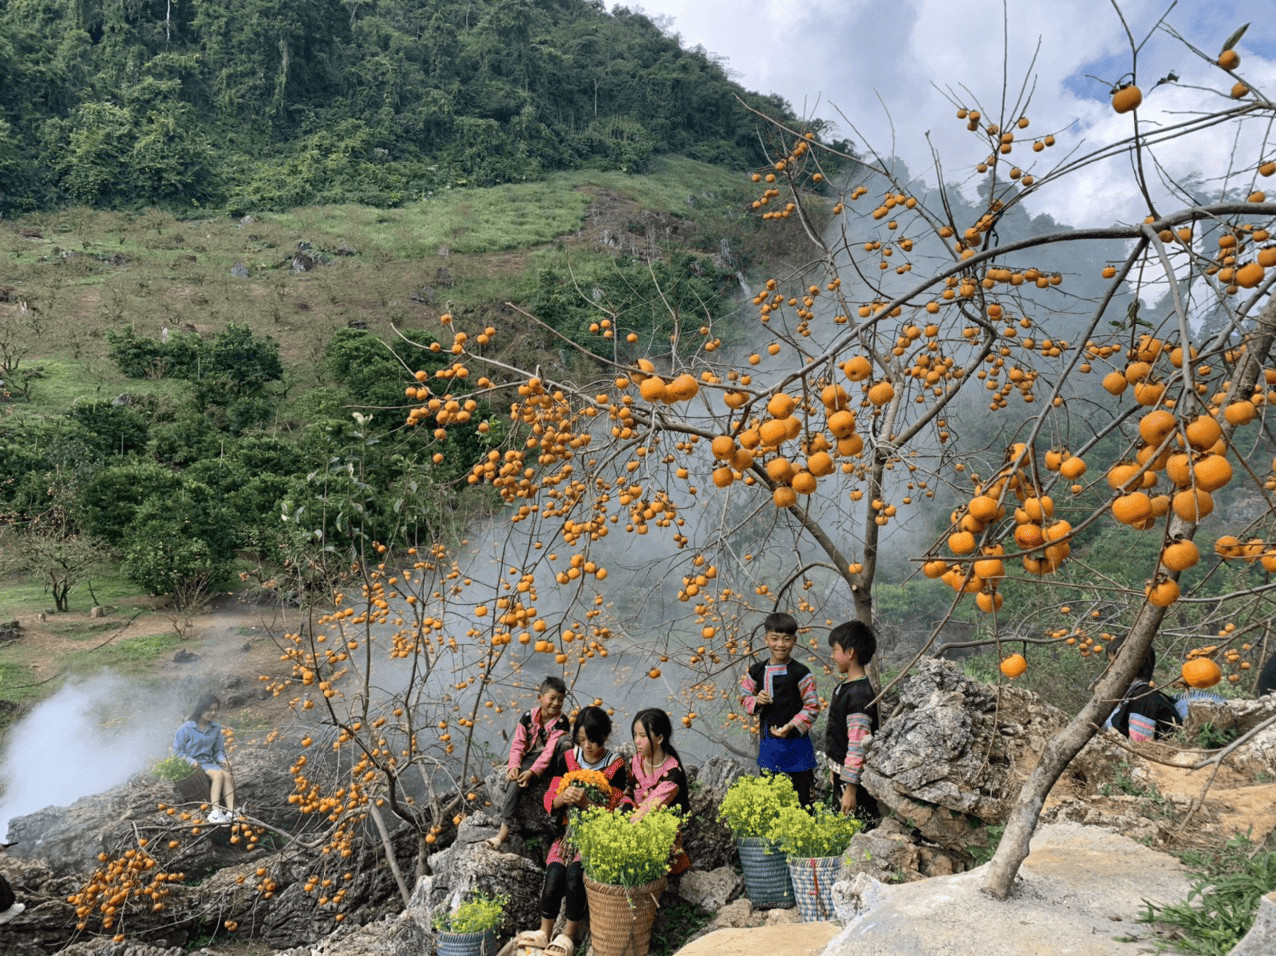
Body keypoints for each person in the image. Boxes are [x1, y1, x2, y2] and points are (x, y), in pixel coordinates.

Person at [514, 706, 627, 956]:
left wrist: (588, 804)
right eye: (582, 739)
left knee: (575, 875)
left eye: (593, 741)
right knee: (555, 871)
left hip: (595, 837)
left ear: (605, 737)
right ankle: (545, 931)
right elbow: (548, 801)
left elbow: (615, 811)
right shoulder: (568, 758)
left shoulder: (615, 765)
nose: (587, 746)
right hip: (567, 833)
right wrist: (563, 798)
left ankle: (569, 935)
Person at [740, 611, 820, 806]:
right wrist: (757, 700)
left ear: (794, 640)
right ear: (766, 639)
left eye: (786, 639)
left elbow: (812, 706)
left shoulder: (802, 673)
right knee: (771, 800)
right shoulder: (756, 671)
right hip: (769, 746)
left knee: (802, 800)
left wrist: (792, 725)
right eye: (774, 639)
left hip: (798, 747)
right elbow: (744, 698)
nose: (780, 645)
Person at [486, 676, 570, 850]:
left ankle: (559, 779)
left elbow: (548, 752)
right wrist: (514, 766)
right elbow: (518, 744)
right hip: (531, 756)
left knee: (566, 743)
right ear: (541, 698)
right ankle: (504, 829)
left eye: (560, 700)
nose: (556, 703)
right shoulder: (527, 717)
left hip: (553, 760)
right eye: (552, 698)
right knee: (516, 782)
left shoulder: (562, 722)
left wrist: (533, 772)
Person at [626, 707, 692, 875]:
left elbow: (647, 812)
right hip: (634, 826)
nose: (637, 742)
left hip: (659, 840)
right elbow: (627, 793)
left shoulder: (672, 776)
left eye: (642, 736)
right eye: (635, 735)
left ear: (660, 738)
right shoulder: (636, 761)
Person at [826, 620, 880, 822]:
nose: (832, 656)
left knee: (856, 830)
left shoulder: (859, 694)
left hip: (856, 786)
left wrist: (850, 790)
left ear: (850, 653)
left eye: (835, 650)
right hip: (843, 777)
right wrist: (834, 769)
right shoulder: (845, 687)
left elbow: (858, 744)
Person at [173, 693, 238, 822]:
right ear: (201, 709)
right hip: (194, 765)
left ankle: (231, 812)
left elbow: (218, 751)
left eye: (215, 710)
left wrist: (223, 760)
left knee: (227, 775)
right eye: (210, 710)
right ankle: (215, 812)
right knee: (218, 775)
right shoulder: (186, 728)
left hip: (209, 763)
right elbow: (178, 752)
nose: (213, 713)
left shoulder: (215, 728)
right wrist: (191, 761)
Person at [1103, 638, 1180, 741]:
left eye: (1113, 664)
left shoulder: (1143, 698)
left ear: (1134, 665)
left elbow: (1140, 745)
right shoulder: (1130, 697)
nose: (1109, 669)